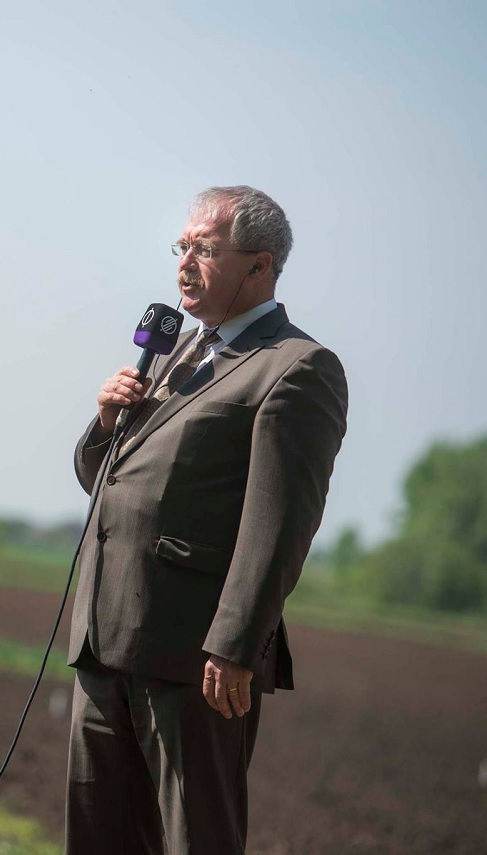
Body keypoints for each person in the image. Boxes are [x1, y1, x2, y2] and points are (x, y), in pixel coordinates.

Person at [65, 186, 348, 853]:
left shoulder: (297, 368)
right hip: (104, 639)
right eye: (182, 247)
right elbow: (102, 482)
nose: (184, 264)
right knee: (97, 838)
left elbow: (280, 522)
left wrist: (234, 641)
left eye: (205, 249)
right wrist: (106, 422)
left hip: (193, 658)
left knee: (194, 839)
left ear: (260, 265)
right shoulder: (174, 353)